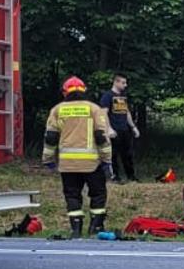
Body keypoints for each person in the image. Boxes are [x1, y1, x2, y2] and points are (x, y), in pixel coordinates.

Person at [42, 76, 115, 237]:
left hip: (67, 165)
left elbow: (50, 138)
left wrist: (48, 160)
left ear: (65, 92)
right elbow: (101, 137)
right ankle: (95, 227)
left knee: (72, 195)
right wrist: (107, 160)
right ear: (84, 91)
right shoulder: (93, 109)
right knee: (98, 194)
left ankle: (76, 229)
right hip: (92, 164)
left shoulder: (57, 110)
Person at [94, 74, 140, 183]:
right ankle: (115, 177)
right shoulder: (107, 96)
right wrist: (108, 128)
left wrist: (133, 127)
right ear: (116, 82)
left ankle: (131, 176)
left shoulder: (123, 96)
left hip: (124, 129)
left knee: (128, 154)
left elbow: (127, 112)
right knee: (113, 155)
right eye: (123, 83)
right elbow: (103, 114)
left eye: (125, 82)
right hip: (113, 130)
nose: (125, 85)